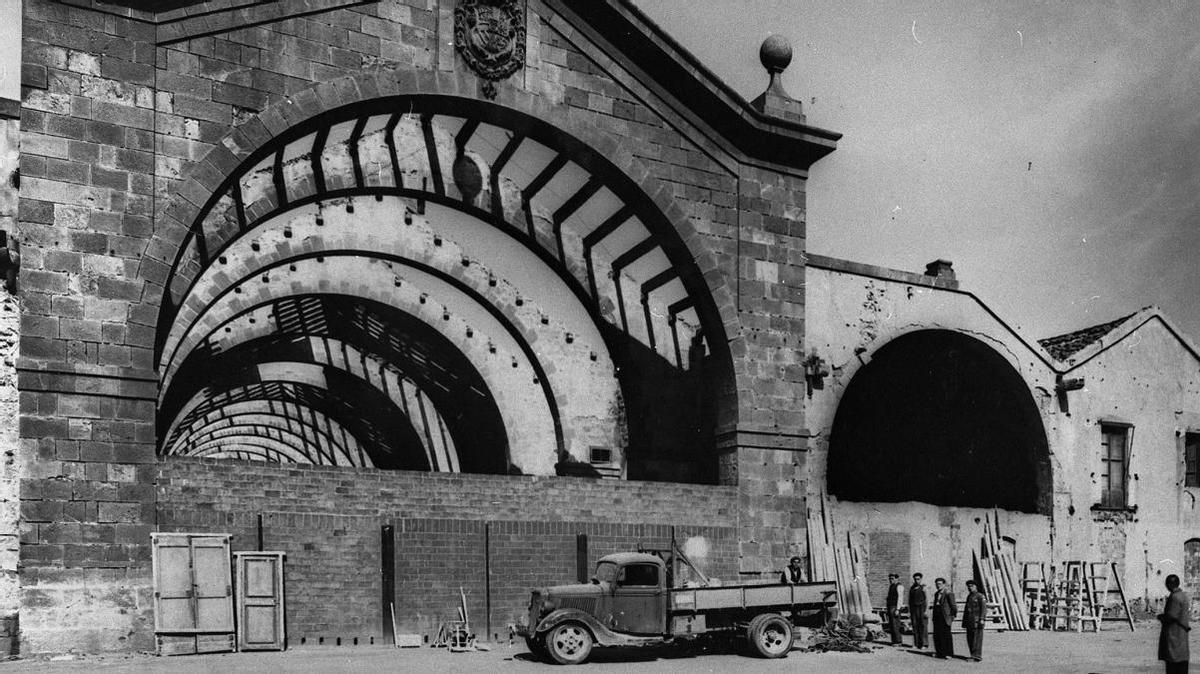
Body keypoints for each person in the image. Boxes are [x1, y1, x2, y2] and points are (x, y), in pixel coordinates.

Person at [1158, 574, 1191, 673]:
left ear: (1169, 584)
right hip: (1181, 636)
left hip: (1174, 636)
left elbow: (1172, 616)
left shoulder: (1175, 597)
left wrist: (1161, 617)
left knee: (1173, 666)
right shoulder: (1183, 595)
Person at [932, 577, 956, 659]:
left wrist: (952, 616)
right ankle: (940, 652)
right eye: (937, 584)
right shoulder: (936, 594)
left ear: (944, 584)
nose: (938, 586)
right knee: (937, 635)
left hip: (945, 617)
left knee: (946, 635)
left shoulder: (948, 593)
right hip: (937, 617)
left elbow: (953, 606)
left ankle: (948, 653)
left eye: (940, 584)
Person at [963, 579, 986, 661]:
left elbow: (983, 609)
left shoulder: (980, 596)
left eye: (972, 586)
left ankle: (977, 656)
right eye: (968, 587)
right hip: (970, 621)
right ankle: (972, 655)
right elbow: (967, 610)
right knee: (970, 638)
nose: (970, 588)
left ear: (976, 587)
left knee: (977, 639)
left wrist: (982, 619)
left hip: (977, 621)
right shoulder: (969, 596)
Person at [909, 572, 929, 650]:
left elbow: (927, 599)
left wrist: (926, 610)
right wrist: (910, 611)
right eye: (915, 579)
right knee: (915, 626)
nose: (917, 580)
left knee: (923, 626)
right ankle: (916, 643)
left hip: (922, 608)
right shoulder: (912, 588)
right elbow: (910, 600)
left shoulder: (924, 588)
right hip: (914, 609)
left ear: (921, 579)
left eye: (918, 579)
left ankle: (924, 644)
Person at [886, 572, 904, 645]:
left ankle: (898, 641)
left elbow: (900, 598)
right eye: (890, 579)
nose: (891, 580)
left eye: (892, 579)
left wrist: (898, 609)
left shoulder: (899, 586)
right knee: (892, 625)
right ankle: (894, 641)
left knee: (896, 624)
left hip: (895, 607)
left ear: (897, 579)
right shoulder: (891, 586)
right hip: (890, 606)